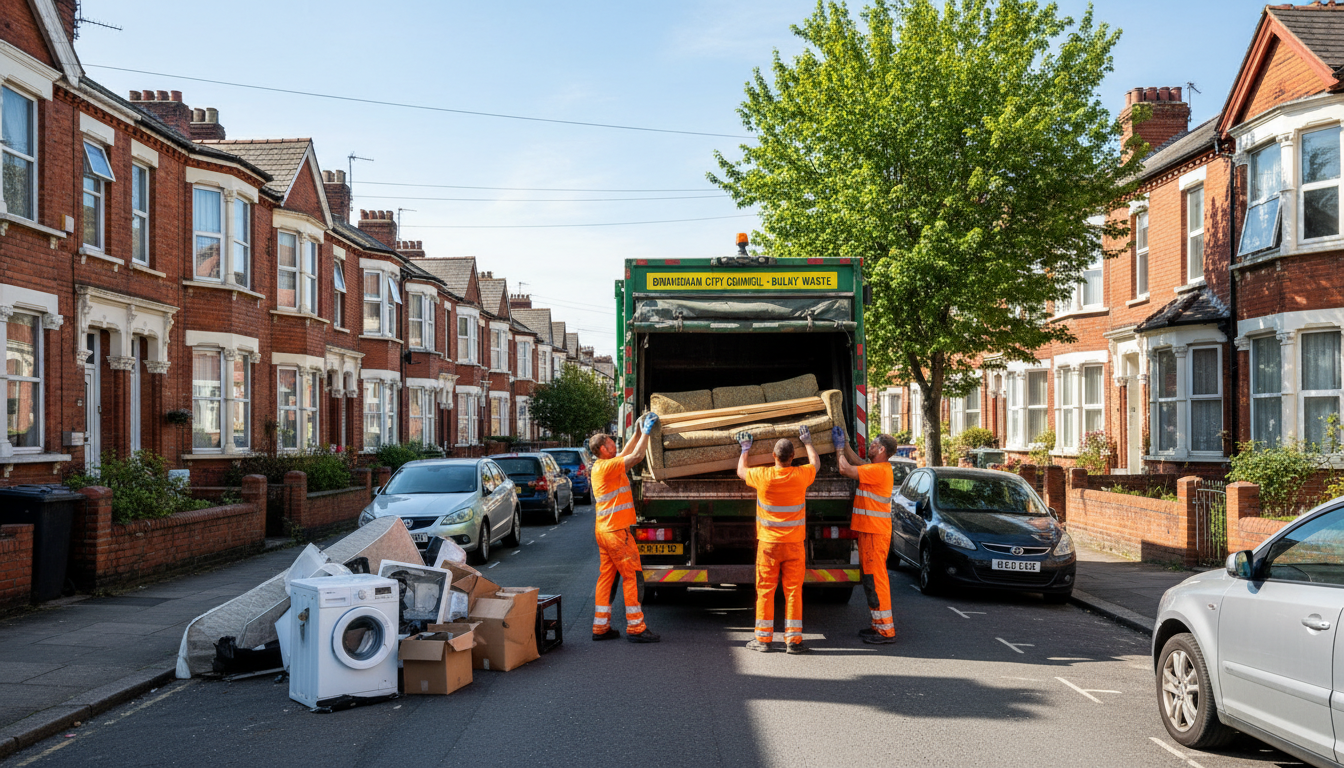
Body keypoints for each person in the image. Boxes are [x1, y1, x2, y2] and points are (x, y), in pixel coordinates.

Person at [737, 425, 819, 654]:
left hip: (768, 545)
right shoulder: (801, 476)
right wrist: (809, 442)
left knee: (765, 589)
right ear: (793, 457)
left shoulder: (763, 476)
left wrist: (745, 449)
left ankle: (763, 640)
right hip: (794, 544)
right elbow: (816, 464)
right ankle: (793, 641)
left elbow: (741, 471)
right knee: (793, 591)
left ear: (773, 456)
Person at [587, 413, 661, 644]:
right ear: (602, 448)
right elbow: (637, 455)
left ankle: (601, 627)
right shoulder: (606, 468)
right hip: (617, 532)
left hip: (605, 531)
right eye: (610, 442)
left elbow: (626, 453)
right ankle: (636, 628)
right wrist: (647, 431)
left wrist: (638, 431)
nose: (614, 444)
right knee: (632, 576)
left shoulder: (604, 466)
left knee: (607, 578)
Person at [835, 429, 899, 644]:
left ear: (881, 449)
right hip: (871, 532)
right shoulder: (876, 468)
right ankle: (878, 625)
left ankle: (885, 631)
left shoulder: (879, 471)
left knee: (876, 580)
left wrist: (837, 448)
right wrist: (845, 446)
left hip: (874, 533)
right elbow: (857, 461)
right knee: (871, 580)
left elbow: (845, 468)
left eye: (872, 445)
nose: (869, 447)